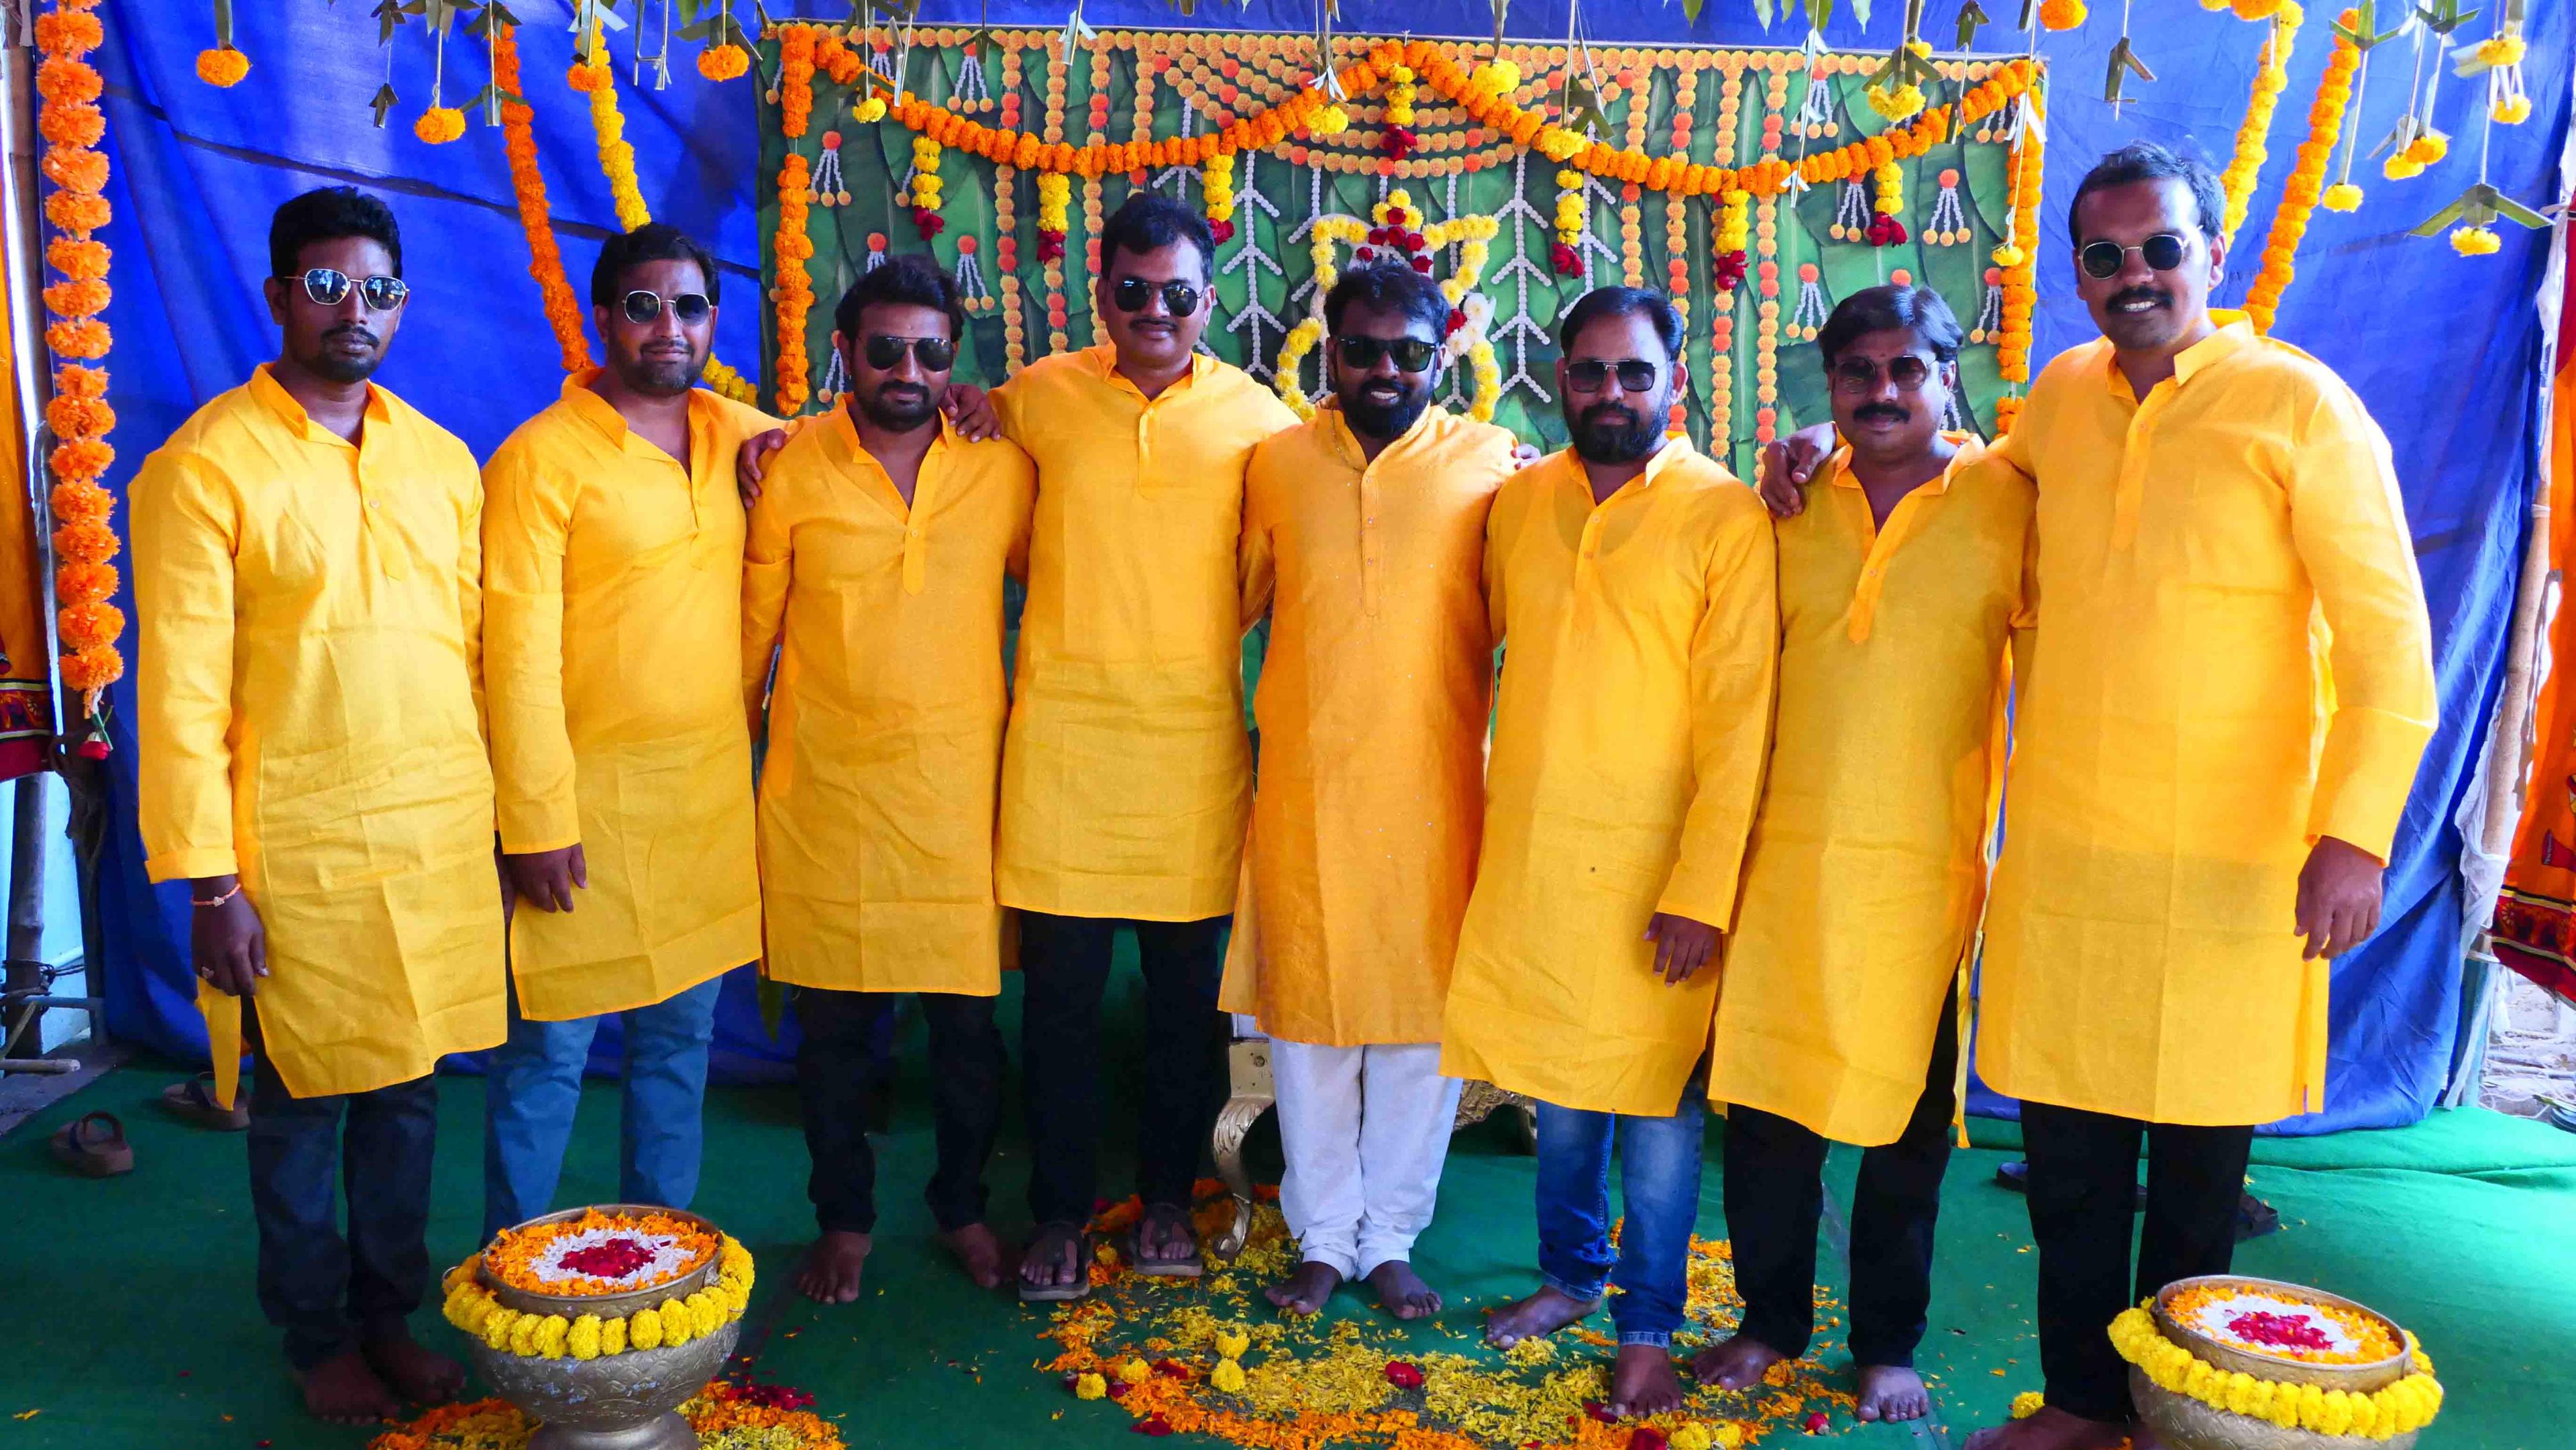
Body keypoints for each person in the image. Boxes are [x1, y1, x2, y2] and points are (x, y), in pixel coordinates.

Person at [1762, 144, 2436, 1450]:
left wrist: (2352, 834)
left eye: (2160, 248)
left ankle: (2172, 1414)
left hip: (2230, 863)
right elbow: (1958, 487)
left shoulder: (2303, 408)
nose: (2134, 275)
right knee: (2070, 1167)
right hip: (2068, 858)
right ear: (2076, 270)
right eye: (2106, 255)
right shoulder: (2062, 398)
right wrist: (1819, 450)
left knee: (2192, 1178)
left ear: (2214, 254)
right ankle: (2079, 1402)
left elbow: (2390, 647)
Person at [131, 187, 505, 1425]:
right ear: (280, 294)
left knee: (406, 1091)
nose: (358, 310)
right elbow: (181, 693)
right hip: (290, 851)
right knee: (300, 1107)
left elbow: (470, 648)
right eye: (331, 285)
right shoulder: (203, 468)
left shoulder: (440, 458)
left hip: (431, 832)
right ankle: (315, 1332)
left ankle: (389, 1312)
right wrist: (211, 881)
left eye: (381, 288)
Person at [1693, 284, 2029, 1425]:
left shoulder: (2010, 499)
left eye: (1906, 370)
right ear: (1827, 386)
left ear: (1949, 377)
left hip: (1918, 876)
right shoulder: (1782, 503)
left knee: (1905, 1129)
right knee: (1769, 1121)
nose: (1881, 391)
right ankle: (1769, 1321)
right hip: (1781, 862)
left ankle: (1887, 1341)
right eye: (1856, 373)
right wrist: (1788, 458)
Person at [1442, 285, 1776, 1417]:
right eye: (1590, 372)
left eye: (1636, 374)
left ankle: (1646, 1322)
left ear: (1673, 383)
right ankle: (1569, 1276)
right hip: (1542, 855)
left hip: (1660, 874)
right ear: (1560, 379)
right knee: (1562, 1090)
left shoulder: (1726, 515)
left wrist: (1702, 889)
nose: (1612, 393)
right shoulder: (1520, 502)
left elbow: (1743, 723)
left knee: (1657, 1111)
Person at [985, 193, 1300, 1301]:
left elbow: (1269, 572)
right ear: (1101, 292)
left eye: (1178, 293)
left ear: (1209, 300)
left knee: (1184, 1014)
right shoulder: (1036, 400)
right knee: (1061, 1009)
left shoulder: (1260, 422)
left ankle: (1169, 1195)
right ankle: (1060, 1214)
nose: (1154, 310)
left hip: (1194, 758)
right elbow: (955, 465)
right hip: (1065, 752)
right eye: (1132, 289)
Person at [1222, 262, 1519, 1319]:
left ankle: (1390, 1237)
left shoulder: (1492, 464)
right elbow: (1231, 603)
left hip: (1440, 794)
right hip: (1303, 787)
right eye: (1363, 349)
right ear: (1328, 351)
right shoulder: (1275, 464)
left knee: (1413, 1036)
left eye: (1407, 352)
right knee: (1307, 1027)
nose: (1385, 369)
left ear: (1440, 356)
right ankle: (1322, 1236)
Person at [739, 255, 1035, 1302]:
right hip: (824, 799)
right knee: (833, 1040)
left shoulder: (1002, 469)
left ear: (954, 358)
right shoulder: (787, 468)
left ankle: (960, 1206)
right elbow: (750, 633)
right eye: (885, 349)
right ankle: (845, 1222)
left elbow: (1060, 587)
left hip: (958, 801)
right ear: (843, 354)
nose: (908, 369)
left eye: (930, 351)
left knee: (966, 1036)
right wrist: (729, 755)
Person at [476, 223, 776, 1243]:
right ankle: (514, 1280)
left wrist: (968, 402)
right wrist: (534, 820)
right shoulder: (540, 460)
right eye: (643, 307)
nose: (667, 328)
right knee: (548, 1056)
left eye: (688, 307)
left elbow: (850, 444)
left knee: (677, 1044)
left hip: (700, 803)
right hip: (581, 813)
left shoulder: (740, 435)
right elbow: (510, 658)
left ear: (712, 320)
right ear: (602, 320)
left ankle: (660, 1268)